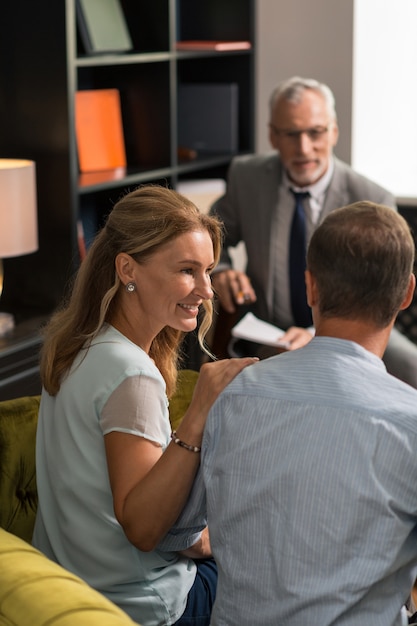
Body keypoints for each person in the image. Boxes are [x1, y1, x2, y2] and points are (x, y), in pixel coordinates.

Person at [167, 201, 417, 626]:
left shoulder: (234, 393)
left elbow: (177, 532)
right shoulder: (409, 423)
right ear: (407, 292)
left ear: (310, 288)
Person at [32, 185, 256, 626]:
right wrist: (199, 413)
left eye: (208, 270)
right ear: (127, 268)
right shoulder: (131, 374)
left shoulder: (78, 345)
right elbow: (144, 528)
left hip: (69, 583)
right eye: (187, 270)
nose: (206, 290)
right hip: (141, 604)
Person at [210, 75, 417, 388]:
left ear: (333, 131)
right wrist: (221, 270)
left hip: (351, 335)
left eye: (315, 132)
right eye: (291, 134)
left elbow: (380, 294)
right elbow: (212, 234)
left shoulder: (373, 199)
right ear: (272, 136)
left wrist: (315, 334)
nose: (304, 147)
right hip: (269, 334)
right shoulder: (247, 176)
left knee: (411, 369)